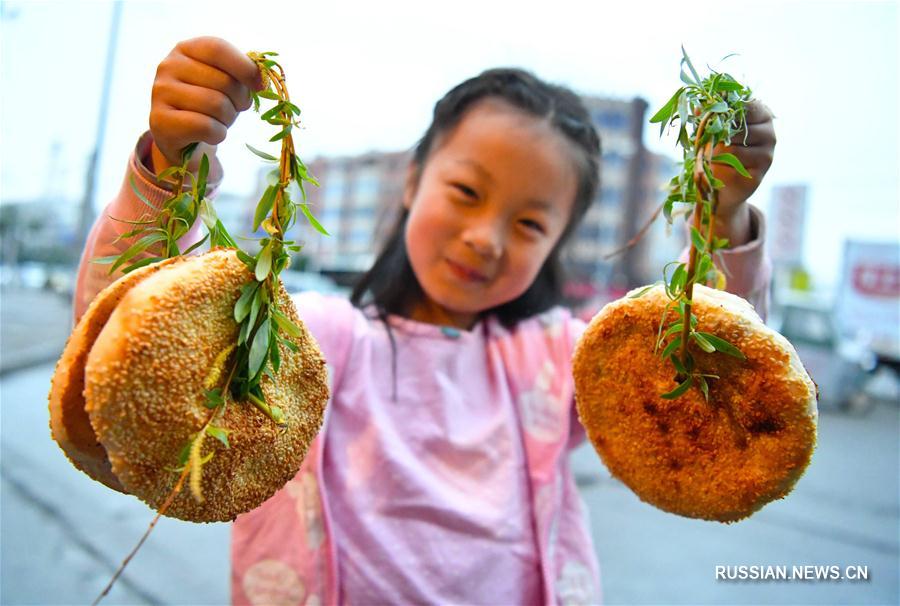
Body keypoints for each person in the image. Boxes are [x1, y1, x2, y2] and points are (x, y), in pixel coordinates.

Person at [74, 37, 775, 605]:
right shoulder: (313, 341)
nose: (485, 237)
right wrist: (173, 166)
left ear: (558, 244)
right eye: (466, 192)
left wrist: (722, 220)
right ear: (413, 180)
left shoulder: (563, 359)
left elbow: (713, 384)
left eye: (530, 223)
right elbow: (137, 344)